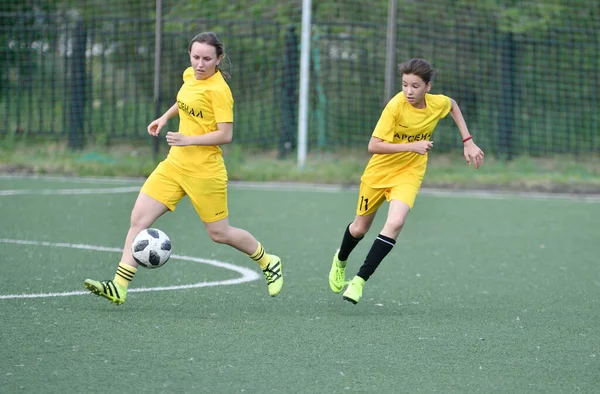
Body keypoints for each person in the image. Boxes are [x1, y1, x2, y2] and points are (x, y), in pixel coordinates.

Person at [84, 32, 283, 304]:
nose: (200, 64)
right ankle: (119, 286)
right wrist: (164, 117)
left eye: (207, 59)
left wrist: (188, 140)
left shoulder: (220, 90)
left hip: (205, 171)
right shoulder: (190, 75)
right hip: (174, 164)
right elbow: (185, 101)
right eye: (196, 57)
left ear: (219, 59)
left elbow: (225, 135)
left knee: (219, 233)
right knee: (139, 220)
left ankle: (269, 261)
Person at [328, 58, 484, 305]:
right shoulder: (395, 106)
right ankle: (341, 260)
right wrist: (413, 145)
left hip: (409, 173)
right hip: (379, 173)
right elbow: (373, 146)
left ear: (428, 87)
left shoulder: (436, 104)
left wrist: (468, 141)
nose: (409, 92)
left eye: (415, 86)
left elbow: (452, 105)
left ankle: (359, 281)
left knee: (397, 221)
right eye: (404, 85)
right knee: (360, 229)